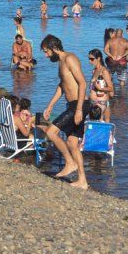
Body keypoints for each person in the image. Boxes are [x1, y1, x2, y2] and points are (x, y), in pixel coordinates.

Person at [40, 35, 89, 189]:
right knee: (72, 143)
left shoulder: (70, 58)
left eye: (46, 51)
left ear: (53, 48)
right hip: (72, 105)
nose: (46, 55)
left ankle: (69, 163)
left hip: (79, 104)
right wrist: (50, 105)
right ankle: (83, 181)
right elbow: (62, 86)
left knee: (51, 132)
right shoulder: (61, 62)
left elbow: (83, 83)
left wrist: (79, 109)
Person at [88, 49, 113, 122]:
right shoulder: (94, 70)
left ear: (98, 58)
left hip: (101, 103)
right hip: (93, 102)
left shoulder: (104, 71)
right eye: (89, 59)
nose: (90, 61)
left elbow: (111, 88)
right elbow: (93, 87)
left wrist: (100, 88)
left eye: (92, 59)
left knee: (99, 123)